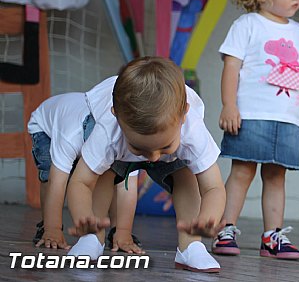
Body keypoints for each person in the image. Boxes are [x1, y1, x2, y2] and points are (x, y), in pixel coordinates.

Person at [66, 56, 226, 273]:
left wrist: (209, 216)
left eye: (165, 146)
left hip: (166, 152)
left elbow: (213, 187)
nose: (152, 158)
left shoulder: (192, 130)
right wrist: (84, 216)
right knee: (102, 174)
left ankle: (191, 246)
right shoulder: (108, 130)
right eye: (140, 148)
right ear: (117, 118)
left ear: (183, 115)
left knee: (187, 176)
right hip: (117, 150)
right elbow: (81, 182)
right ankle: (91, 240)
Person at [212, 0, 299, 260]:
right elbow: (231, 67)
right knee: (242, 172)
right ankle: (226, 227)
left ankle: (272, 236)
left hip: (287, 119)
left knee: (276, 176)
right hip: (250, 115)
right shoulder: (247, 25)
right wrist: (229, 105)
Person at [28, 92, 141, 253]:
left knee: (116, 175)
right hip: (45, 128)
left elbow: (127, 188)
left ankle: (116, 231)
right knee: (49, 175)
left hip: (80, 118)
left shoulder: (122, 140)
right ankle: (47, 225)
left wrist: (124, 232)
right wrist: (53, 229)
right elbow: (56, 182)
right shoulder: (70, 137)